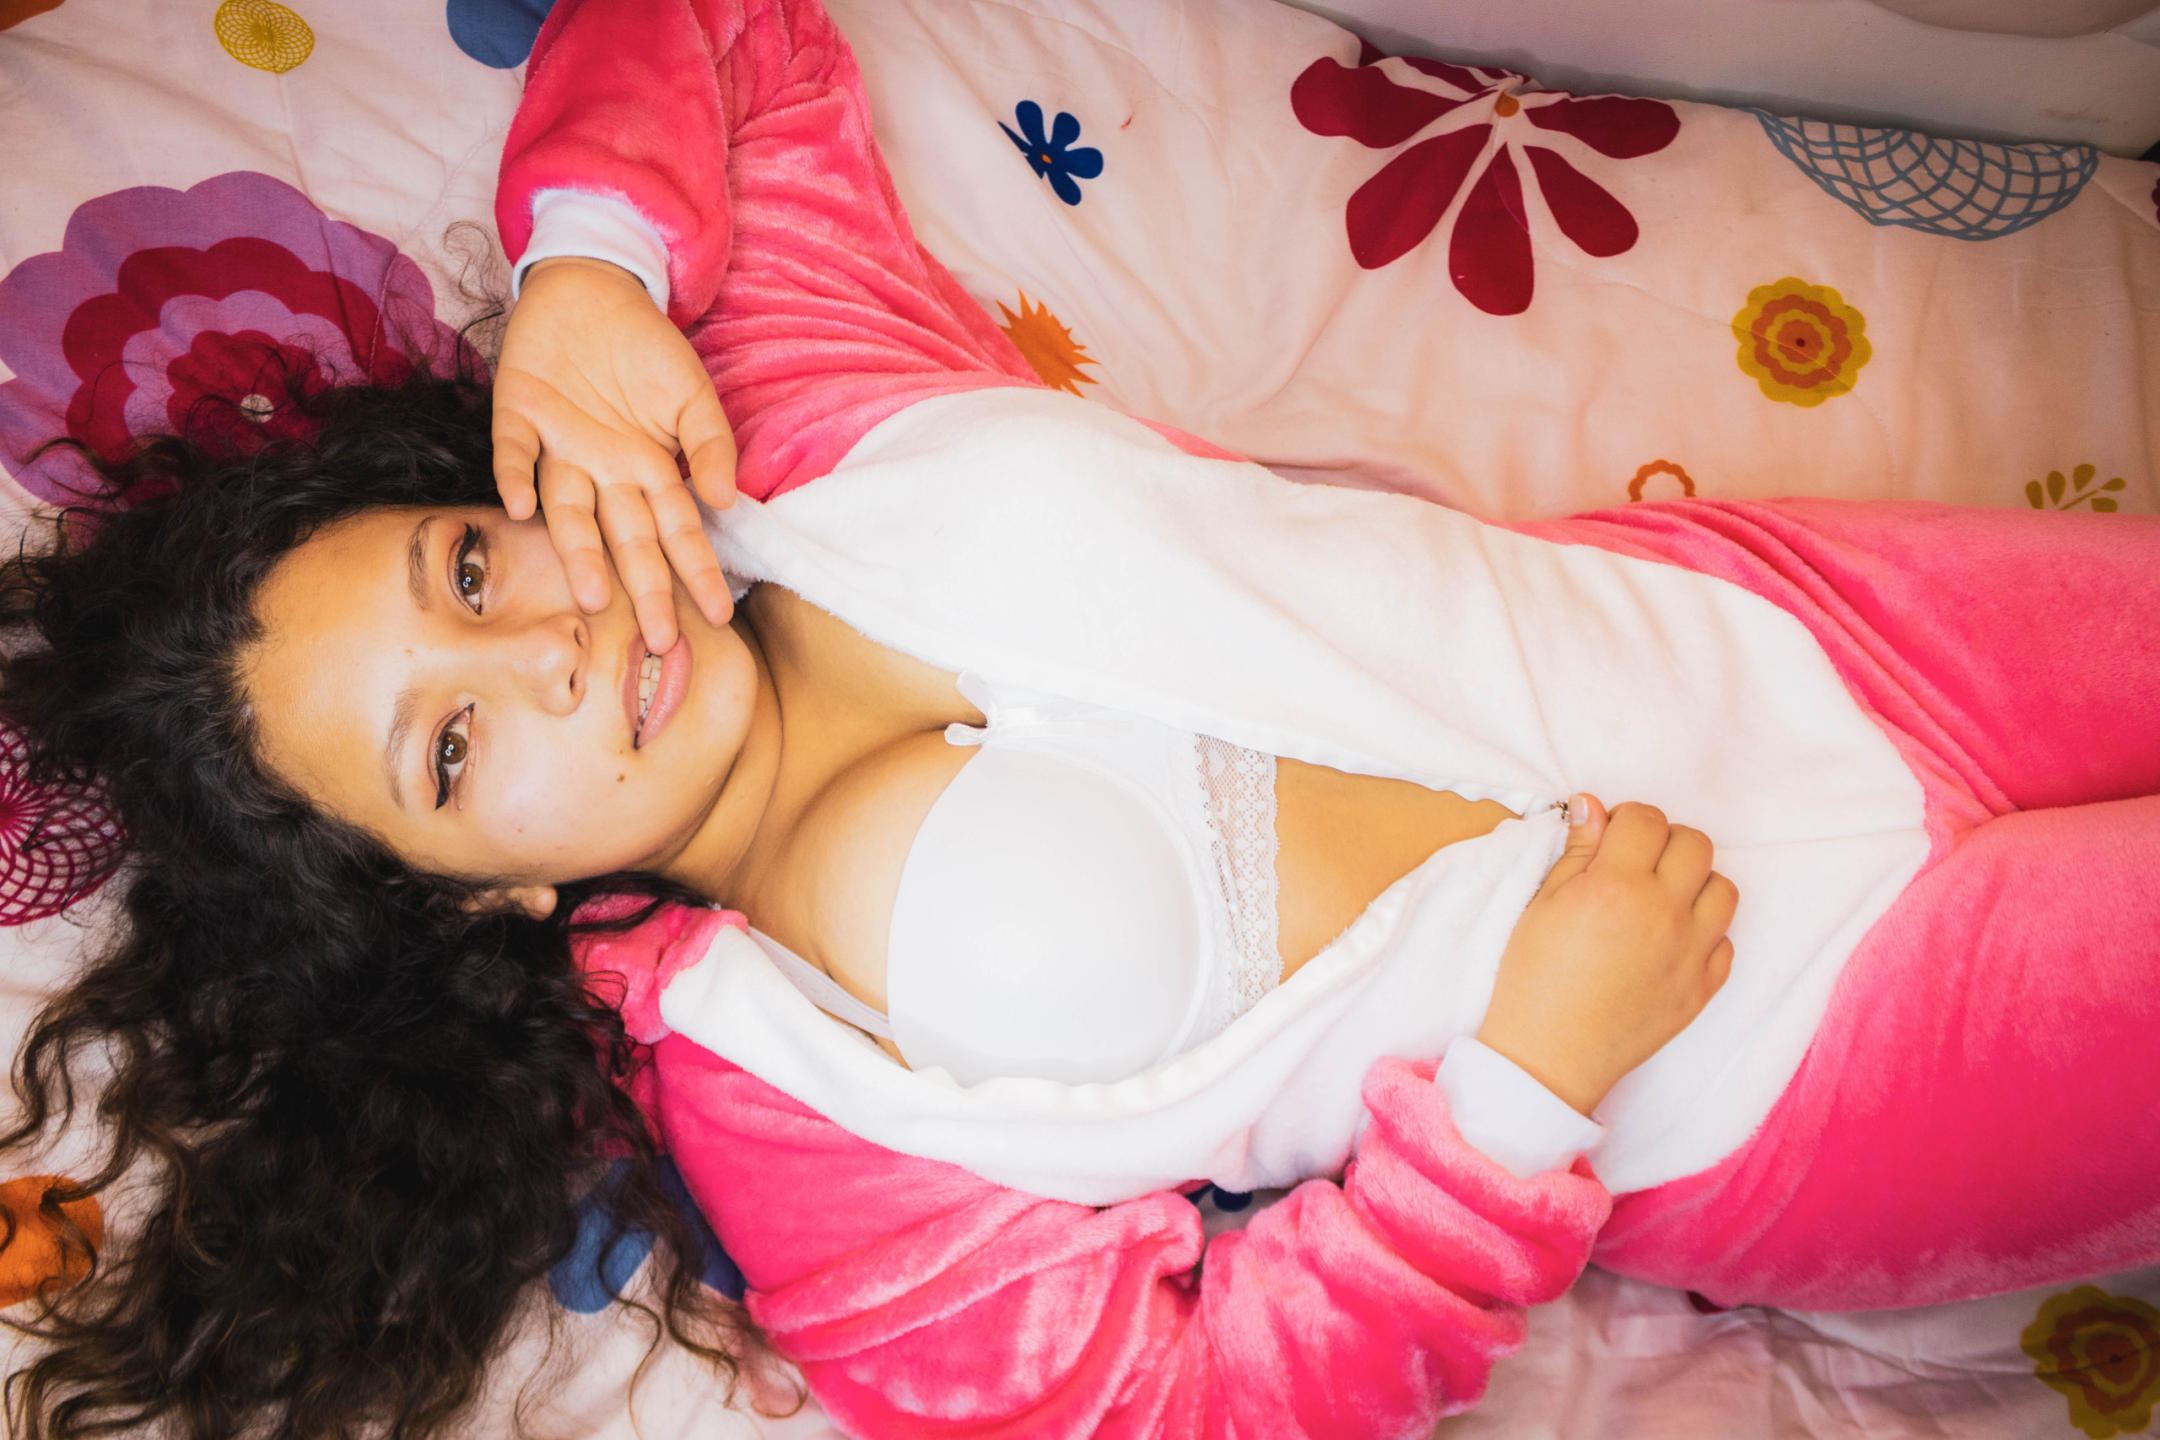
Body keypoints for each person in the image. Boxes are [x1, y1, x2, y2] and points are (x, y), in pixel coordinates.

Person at [2, 2, 2155, 1439]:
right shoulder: (793, 1102)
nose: (550, 645)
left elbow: (725, 31)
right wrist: (1521, 1098)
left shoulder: (792, 416)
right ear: (476, 902)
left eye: (469, 572)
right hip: (1799, 1069)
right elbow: (1168, 1412)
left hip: (1806, 628)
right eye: (455, 752)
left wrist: (585, 268)